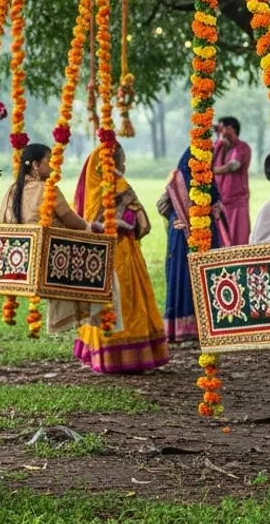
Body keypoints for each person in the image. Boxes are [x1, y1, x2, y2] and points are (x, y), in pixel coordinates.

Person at [74, 144, 170, 374]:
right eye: (121, 158)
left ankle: (104, 355)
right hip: (122, 251)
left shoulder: (91, 191)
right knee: (126, 300)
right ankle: (129, 356)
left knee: (105, 301)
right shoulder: (118, 185)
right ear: (113, 161)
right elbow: (141, 221)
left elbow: (85, 223)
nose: (123, 164)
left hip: (98, 254)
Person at [158, 147, 228, 343]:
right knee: (184, 274)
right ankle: (186, 327)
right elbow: (212, 199)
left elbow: (213, 198)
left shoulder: (202, 175)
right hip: (183, 232)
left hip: (199, 229)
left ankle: (203, 324)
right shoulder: (183, 178)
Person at [0, 142, 102, 231]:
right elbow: (69, 219)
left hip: (17, 250)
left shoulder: (12, 190)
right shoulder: (48, 190)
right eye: (49, 160)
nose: (53, 166)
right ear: (36, 165)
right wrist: (89, 227)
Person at [212, 116, 252, 246]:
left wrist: (211, 171)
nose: (221, 133)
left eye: (223, 129)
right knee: (220, 239)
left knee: (238, 239)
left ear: (232, 129)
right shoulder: (217, 147)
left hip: (237, 202)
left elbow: (233, 165)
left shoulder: (242, 147)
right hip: (219, 202)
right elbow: (207, 160)